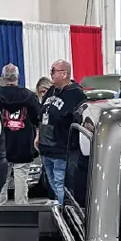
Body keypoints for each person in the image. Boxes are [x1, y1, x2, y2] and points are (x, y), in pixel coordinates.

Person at [0, 64, 41, 204]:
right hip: (24, 142)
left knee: (1, 178)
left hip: (2, 142)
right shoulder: (29, 95)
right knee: (21, 177)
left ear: (3, 77)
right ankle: (22, 207)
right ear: (18, 77)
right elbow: (37, 117)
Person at [38, 59, 85, 203]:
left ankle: (64, 212)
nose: (51, 74)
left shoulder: (76, 93)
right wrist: (38, 135)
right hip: (46, 147)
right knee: (52, 183)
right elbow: (42, 113)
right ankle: (59, 206)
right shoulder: (51, 90)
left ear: (64, 73)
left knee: (60, 183)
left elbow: (79, 120)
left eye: (53, 70)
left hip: (61, 147)